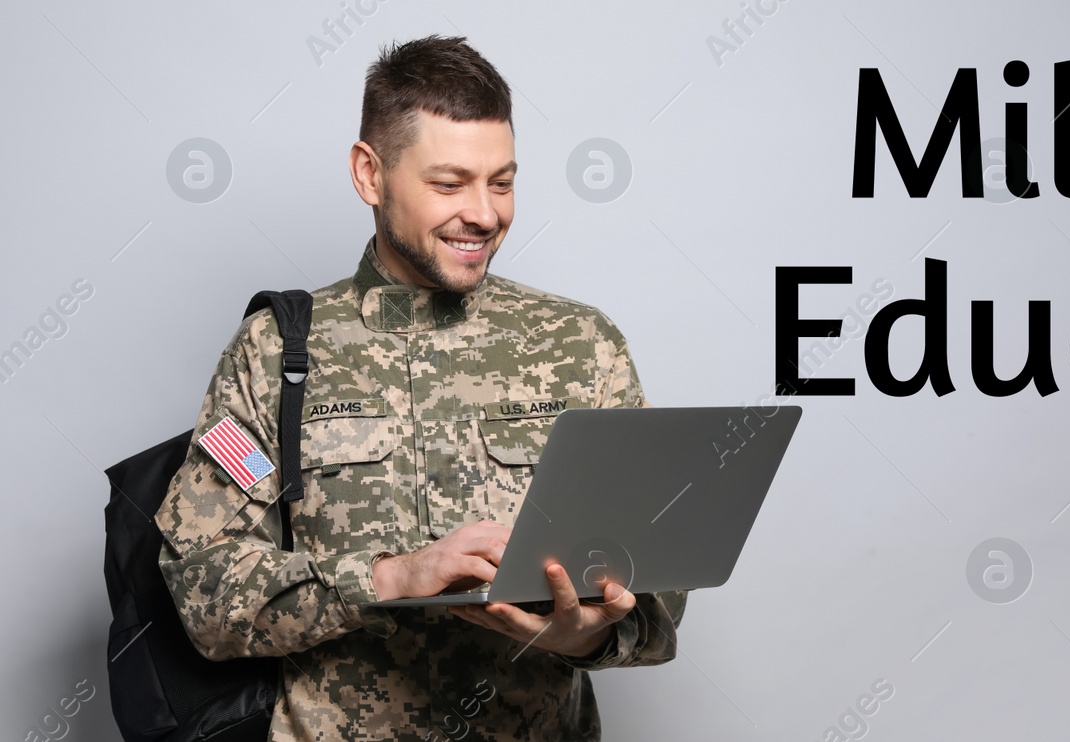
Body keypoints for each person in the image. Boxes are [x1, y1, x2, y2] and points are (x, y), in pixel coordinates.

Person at [154, 35, 685, 741]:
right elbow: (204, 593)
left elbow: (662, 589)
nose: (486, 213)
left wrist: (584, 638)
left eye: (502, 181)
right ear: (370, 175)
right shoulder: (276, 352)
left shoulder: (580, 344)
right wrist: (390, 578)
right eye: (449, 183)